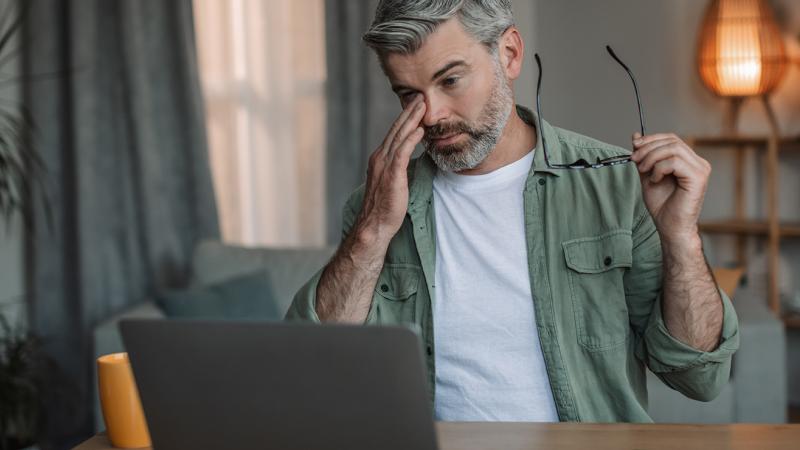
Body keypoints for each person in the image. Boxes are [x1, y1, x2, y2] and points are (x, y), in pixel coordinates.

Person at [286, 0, 739, 422]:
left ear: (509, 54)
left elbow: (700, 377)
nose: (431, 115)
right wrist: (372, 231)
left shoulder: (617, 187)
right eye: (409, 94)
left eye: (450, 80)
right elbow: (314, 375)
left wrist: (681, 236)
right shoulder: (377, 206)